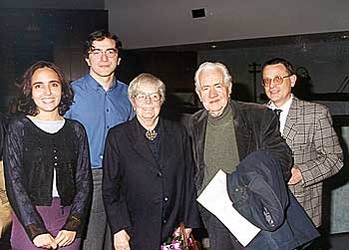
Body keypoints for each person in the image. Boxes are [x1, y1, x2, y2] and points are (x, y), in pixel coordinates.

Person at [188, 62, 292, 250]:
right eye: (206, 88)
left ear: (229, 88)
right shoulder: (194, 123)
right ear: (199, 93)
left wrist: (258, 185)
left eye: (218, 86)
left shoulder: (257, 116)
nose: (212, 94)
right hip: (215, 213)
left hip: (251, 208)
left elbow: (282, 158)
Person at [103, 73, 201, 249]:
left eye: (154, 96)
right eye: (141, 96)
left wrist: (189, 222)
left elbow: (188, 181)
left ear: (161, 100)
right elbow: (111, 189)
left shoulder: (179, 133)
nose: (148, 102)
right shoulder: (117, 136)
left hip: (173, 226)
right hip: (134, 229)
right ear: (133, 101)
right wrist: (118, 229)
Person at [4, 61, 92, 249]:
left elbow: (84, 181)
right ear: (30, 91)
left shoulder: (76, 130)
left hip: (67, 219)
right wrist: (35, 229)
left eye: (53, 84)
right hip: (28, 217)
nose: (47, 92)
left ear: (62, 89)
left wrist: (73, 225)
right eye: (38, 86)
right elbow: (14, 183)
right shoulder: (18, 128)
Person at [65, 30, 134, 250]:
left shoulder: (130, 94)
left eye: (110, 52)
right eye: (97, 52)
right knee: (90, 243)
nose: (104, 58)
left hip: (122, 178)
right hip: (86, 178)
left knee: (120, 242)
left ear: (119, 59)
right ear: (87, 58)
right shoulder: (70, 94)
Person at [261, 57, 343, 228]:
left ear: (292, 80)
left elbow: (334, 158)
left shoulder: (316, 113)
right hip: (264, 208)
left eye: (277, 78)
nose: (272, 85)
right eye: (267, 80)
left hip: (302, 209)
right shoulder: (256, 115)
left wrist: (302, 173)